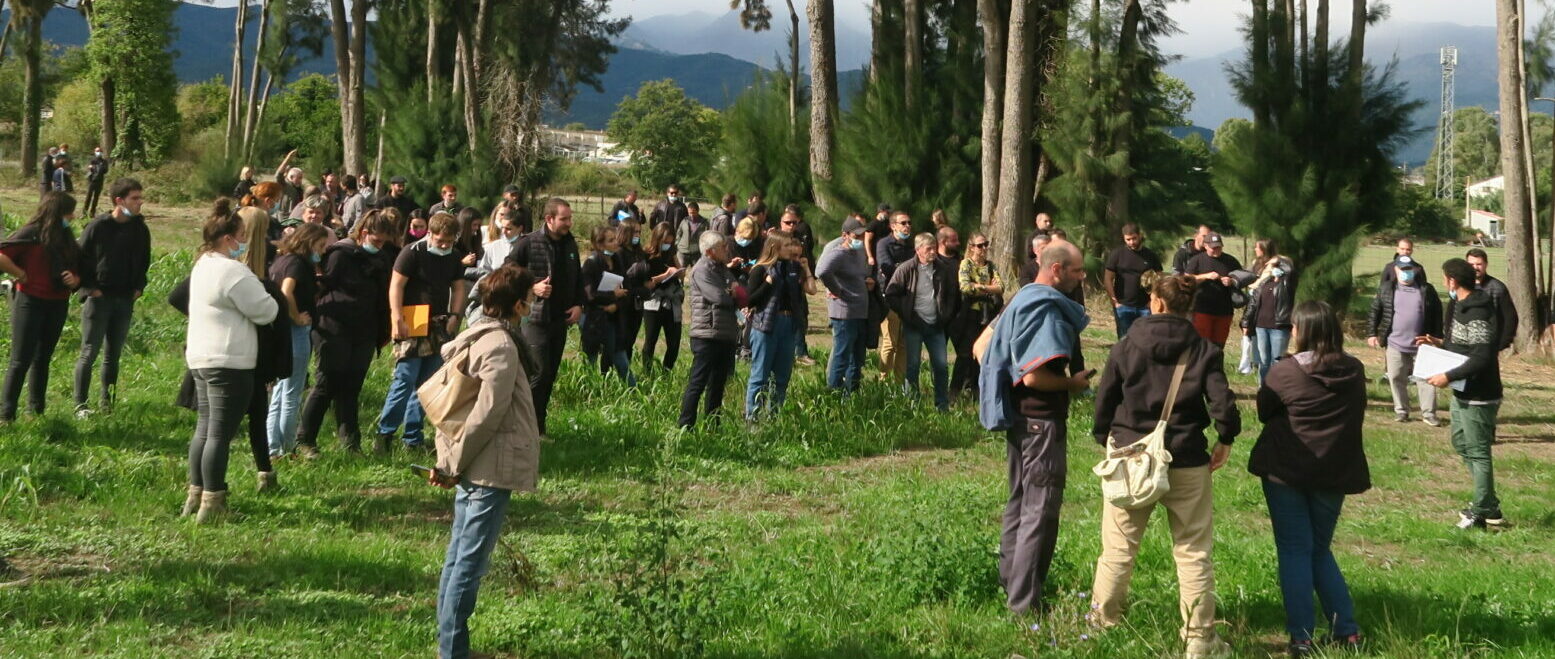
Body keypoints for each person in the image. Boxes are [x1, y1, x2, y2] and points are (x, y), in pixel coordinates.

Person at [1088, 272, 1240, 659]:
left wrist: (1105, 437)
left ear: (1155, 302)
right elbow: (1223, 404)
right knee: (1193, 551)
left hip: (1130, 456)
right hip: (1187, 457)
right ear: (1187, 306)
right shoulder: (1204, 349)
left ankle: (1103, 622)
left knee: (1119, 547)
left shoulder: (1127, 344)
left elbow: (1105, 399)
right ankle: (1199, 640)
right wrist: (1225, 439)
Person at [431, 263, 541, 659]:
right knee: (469, 565)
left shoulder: (481, 334)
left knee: (459, 557)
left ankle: (451, 646)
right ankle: (453, 651)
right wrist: (456, 463)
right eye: (529, 294)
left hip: (475, 466)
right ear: (516, 303)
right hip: (486, 469)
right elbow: (486, 414)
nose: (533, 300)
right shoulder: (501, 345)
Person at [1250, 300, 1369, 657]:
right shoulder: (1354, 369)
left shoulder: (1285, 372)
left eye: (1295, 327)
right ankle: (1346, 630)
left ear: (1303, 332)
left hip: (1287, 470)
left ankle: (1302, 636)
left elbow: (1263, 411)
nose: (1292, 332)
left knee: (1295, 550)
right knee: (1318, 549)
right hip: (1334, 471)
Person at [980, 241, 1091, 615]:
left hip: (1018, 419)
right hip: (1041, 421)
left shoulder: (1021, 298)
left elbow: (982, 348)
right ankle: (1024, 605)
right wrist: (1072, 384)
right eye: (1077, 271)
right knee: (1039, 511)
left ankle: (1010, 580)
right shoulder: (1048, 310)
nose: (1082, 277)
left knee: (1019, 502)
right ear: (1056, 269)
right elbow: (1034, 377)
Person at [180, 201, 280, 522]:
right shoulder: (232, 271)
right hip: (229, 361)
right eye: (241, 237)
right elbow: (267, 310)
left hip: (201, 358)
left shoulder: (202, 265)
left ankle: (195, 495)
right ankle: (213, 503)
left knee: (205, 431)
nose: (244, 243)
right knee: (220, 435)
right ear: (228, 239)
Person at [295, 210, 395, 456]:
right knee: (326, 384)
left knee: (352, 387)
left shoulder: (382, 259)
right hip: (334, 328)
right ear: (363, 233)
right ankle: (305, 439)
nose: (380, 245)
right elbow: (321, 287)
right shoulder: (340, 255)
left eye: (384, 241)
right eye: (377, 240)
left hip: (364, 331)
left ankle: (351, 442)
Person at [1419, 258, 1506, 530]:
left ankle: (1479, 512)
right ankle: (1490, 504)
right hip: (1462, 392)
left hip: (1480, 394)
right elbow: (1467, 347)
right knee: (1461, 443)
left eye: (1445, 279)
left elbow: (1482, 356)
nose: (1445, 283)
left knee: (1479, 453)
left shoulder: (1478, 311)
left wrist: (1448, 376)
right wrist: (1440, 343)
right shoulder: (1460, 306)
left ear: (1452, 281)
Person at [377, 212, 467, 453]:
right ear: (430, 234)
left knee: (427, 384)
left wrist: (455, 317)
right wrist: (396, 318)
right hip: (411, 321)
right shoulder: (412, 252)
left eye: (450, 241)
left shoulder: (454, 256)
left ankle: (413, 437)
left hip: (439, 324)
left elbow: (459, 288)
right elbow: (396, 285)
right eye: (440, 241)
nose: (445, 245)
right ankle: (385, 434)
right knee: (405, 379)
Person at [0, 192, 82, 423]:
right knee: (20, 359)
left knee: (42, 358)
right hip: (30, 301)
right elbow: (2, 256)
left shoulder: (65, 236)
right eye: (69, 213)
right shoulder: (30, 233)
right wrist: (20, 274)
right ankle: (6, 414)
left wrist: (74, 279)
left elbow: (77, 265)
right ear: (57, 212)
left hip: (57, 302)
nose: (72, 217)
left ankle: (36, 411)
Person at [72, 178, 150, 417]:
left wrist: (138, 287)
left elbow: (144, 260)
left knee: (112, 355)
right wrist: (89, 288)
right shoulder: (98, 226)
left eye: (140, 197)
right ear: (120, 200)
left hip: (125, 299)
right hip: (99, 297)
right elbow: (80, 258)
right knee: (89, 352)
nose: (140, 203)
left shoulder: (140, 228)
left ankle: (107, 404)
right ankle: (80, 405)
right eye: (135, 198)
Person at [506, 199, 584, 436]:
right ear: (549, 219)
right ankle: (522, 427)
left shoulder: (570, 244)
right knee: (536, 374)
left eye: (570, 218)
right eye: (564, 219)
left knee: (549, 374)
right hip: (534, 319)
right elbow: (507, 271)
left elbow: (578, 278)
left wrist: (579, 304)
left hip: (560, 320)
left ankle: (538, 427)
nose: (569, 223)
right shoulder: (528, 242)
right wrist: (532, 287)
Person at [265, 223, 331, 458]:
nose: (322, 251)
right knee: (292, 393)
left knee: (279, 392)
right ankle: (286, 446)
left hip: (280, 331)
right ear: (309, 241)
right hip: (296, 332)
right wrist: (296, 316)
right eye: (321, 245)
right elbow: (286, 291)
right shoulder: (298, 264)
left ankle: (273, 448)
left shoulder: (281, 259)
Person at [885, 233, 960, 411]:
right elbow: (891, 294)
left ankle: (942, 405)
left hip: (936, 326)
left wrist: (946, 316)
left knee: (941, 366)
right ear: (918, 250)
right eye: (928, 249)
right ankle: (912, 405)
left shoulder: (943, 269)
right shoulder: (906, 269)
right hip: (914, 325)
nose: (933, 251)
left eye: (934, 247)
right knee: (912, 366)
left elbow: (953, 295)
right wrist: (906, 314)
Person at [744, 233, 814, 419]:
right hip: (766, 325)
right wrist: (767, 285)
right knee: (760, 375)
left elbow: (810, 291)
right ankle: (753, 418)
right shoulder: (760, 269)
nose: (792, 249)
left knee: (782, 376)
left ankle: (774, 416)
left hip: (788, 324)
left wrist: (805, 269)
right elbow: (749, 300)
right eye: (787, 245)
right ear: (775, 247)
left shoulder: (792, 267)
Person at [679, 231, 743, 429]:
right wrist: (731, 292)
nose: (727, 250)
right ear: (710, 252)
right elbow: (719, 297)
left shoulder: (722, 269)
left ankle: (713, 425)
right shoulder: (701, 270)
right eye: (722, 247)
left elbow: (740, 292)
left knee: (717, 385)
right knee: (698, 383)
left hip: (725, 334)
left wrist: (733, 291)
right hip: (706, 334)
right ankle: (685, 426)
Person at [1367, 259, 1442, 425]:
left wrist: (1436, 337)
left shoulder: (1426, 290)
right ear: (1396, 270)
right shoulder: (1386, 289)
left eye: (1409, 269)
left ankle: (1429, 413)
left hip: (1422, 343)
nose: (1406, 272)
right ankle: (1401, 411)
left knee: (1426, 379)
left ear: (1415, 270)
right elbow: (1375, 311)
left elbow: (1437, 313)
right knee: (1395, 377)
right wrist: (1372, 333)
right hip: (1395, 343)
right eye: (1402, 269)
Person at [816, 218, 873, 392]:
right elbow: (822, 271)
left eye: (862, 235)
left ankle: (851, 395)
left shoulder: (859, 253)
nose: (860, 239)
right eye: (857, 235)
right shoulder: (838, 253)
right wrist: (837, 290)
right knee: (841, 357)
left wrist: (866, 281)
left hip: (859, 311)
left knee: (857, 359)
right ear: (845, 235)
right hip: (844, 313)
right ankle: (834, 395)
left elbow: (859, 274)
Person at [581, 225, 636, 385]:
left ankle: (633, 390)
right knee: (590, 358)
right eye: (611, 240)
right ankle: (589, 391)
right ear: (599, 245)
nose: (616, 243)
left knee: (620, 355)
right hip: (594, 320)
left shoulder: (617, 260)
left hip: (614, 318)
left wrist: (616, 305)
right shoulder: (590, 264)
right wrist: (613, 295)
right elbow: (589, 295)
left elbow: (627, 289)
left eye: (615, 239)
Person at [952, 232, 1002, 396]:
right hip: (970, 315)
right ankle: (955, 390)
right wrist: (988, 288)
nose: (984, 248)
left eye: (986, 244)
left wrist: (981, 287)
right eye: (980, 245)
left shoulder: (991, 266)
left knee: (983, 353)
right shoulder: (966, 264)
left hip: (988, 314)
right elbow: (965, 287)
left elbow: (1000, 288)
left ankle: (975, 389)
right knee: (965, 353)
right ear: (971, 247)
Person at [1242, 241, 1297, 384]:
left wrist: (1277, 259)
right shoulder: (1263, 283)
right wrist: (1246, 322)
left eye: (1271, 267)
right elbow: (1253, 303)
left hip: (1279, 327)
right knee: (1263, 361)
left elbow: (1289, 267)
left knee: (1277, 361)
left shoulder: (1286, 283)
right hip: (1261, 326)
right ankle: (1263, 389)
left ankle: (1278, 391)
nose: (1269, 269)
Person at [875, 211, 916, 382]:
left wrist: (902, 268)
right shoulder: (883, 244)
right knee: (890, 342)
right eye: (903, 223)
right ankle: (883, 379)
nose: (907, 226)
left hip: (908, 298)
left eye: (909, 223)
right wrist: (906, 269)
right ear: (893, 226)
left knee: (903, 344)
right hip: (889, 297)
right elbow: (888, 268)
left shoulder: (911, 245)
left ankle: (899, 382)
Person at [640, 222, 686, 372]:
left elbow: (680, 272)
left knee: (674, 342)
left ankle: (667, 371)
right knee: (650, 340)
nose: (668, 244)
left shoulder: (672, 253)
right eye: (665, 242)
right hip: (653, 302)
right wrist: (665, 275)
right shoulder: (647, 255)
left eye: (670, 241)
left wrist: (679, 272)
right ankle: (647, 372)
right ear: (658, 238)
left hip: (672, 301)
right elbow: (647, 283)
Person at [1103, 223, 1162, 338]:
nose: (1131, 242)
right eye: (1128, 239)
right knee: (1124, 340)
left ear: (1140, 236)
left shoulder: (1150, 255)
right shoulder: (1117, 254)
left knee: (1145, 340)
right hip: (1123, 306)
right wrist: (1114, 301)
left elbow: (1159, 279)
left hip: (1145, 307)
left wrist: (1152, 300)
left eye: (1134, 238)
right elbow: (1108, 278)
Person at [1184, 233, 1242, 347]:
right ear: (1205, 246)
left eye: (1219, 247)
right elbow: (1186, 279)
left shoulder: (1230, 260)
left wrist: (1231, 281)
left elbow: (1241, 277)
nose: (1216, 250)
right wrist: (1205, 276)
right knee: (1202, 344)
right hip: (1202, 309)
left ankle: (1217, 364)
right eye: (1213, 248)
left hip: (1224, 310)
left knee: (1219, 345)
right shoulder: (1197, 260)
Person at [781, 207, 818, 365]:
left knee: (800, 318)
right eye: (787, 222)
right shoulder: (775, 238)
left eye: (794, 222)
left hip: (797, 282)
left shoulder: (799, 238)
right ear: (781, 223)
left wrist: (806, 273)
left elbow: (806, 256)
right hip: (780, 285)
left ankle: (801, 353)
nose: (791, 225)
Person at [1465, 248, 1518, 351]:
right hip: (1465, 345)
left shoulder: (1497, 288)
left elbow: (1510, 318)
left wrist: (1502, 344)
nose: (1475, 267)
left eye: (1479, 264)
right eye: (1471, 265)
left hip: (1489, 345)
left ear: (1486, 264)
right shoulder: (1462, 287)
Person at [676, 201, 710, 270]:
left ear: (698, 211)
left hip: (696, 253)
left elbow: (707, 237)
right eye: (689, 213)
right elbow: (679, 234)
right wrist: (676, 245)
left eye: (693, 213)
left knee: (696, 272)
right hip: (682, 252)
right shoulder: (684, 221)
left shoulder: (704, 223)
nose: (691, 215)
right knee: (680, 272)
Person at [863, 203, 893, 267]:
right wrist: (870, 256)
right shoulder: (873, 225)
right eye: (887, 212)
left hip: (887, 251)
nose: (889, 214)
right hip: (876, 254)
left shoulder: (888, 223)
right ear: (881, 211)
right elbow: (867, 241)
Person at [83, 147, 109, 217]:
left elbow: (105, 170)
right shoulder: (92, 160)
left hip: (99, 181)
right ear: (94, 152)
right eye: (97, 151)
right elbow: (88, 169)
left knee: (96, 197)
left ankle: (92, 213)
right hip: (91, 180)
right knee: (88, 196)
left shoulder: (104, 161)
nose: (98, 152)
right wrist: (91, 167)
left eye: (100, 151)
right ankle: (84, 213)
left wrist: (99, 167)